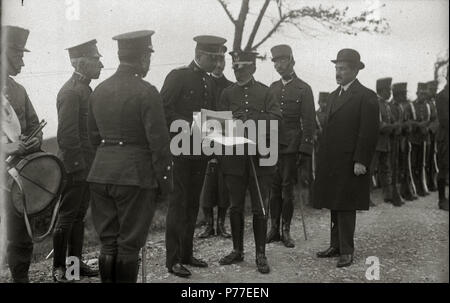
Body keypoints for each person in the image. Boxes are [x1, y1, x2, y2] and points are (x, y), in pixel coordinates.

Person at [87, 30, 173, 283]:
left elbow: (93, 137)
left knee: (108, 244)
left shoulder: (98, 90)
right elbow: (159, 144)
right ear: (143, 57)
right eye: (149, 55)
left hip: (101, 174)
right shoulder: (147, 91)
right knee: (128, 246)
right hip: (134, 177)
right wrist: (164, 184)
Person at [162, 35, 226, 278]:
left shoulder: (209, 81)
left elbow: (210, 116)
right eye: (214, 58)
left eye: (219, 58)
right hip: (179, 151)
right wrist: (186, 130)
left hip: (199, 152)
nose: (217, 63)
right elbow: (164, 109)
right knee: (178, 204)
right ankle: (173, 259)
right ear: (200, 55)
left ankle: (186, 253)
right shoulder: (178, 76)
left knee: (192, 204)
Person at [217, 50, 281, 274]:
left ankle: (260, 253)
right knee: (235, 205)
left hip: (261, 158)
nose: (237, 71)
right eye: (235, 68)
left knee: (259, 207)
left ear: (253, 68)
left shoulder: (266, 92)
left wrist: (251, 120)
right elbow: (217, 125)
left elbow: (276, 119)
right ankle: (237, 250)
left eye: (242, 68)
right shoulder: (226, 93)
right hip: (233, 159)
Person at [314, 49, 379, 268]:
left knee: (347, 205)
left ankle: (347, 250)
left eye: (342, 69)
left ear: (354, 70)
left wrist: (361, 160)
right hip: (332, 161)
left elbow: (368, 132)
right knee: (334, 202)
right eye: (336, 68)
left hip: (351, 161)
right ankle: (335, 245)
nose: (338, 72)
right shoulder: (333, 96)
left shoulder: (366, 96)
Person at [52, 39, 103, 282]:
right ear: (82, 63)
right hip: (75, 168)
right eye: (96, 60)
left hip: (87, 166)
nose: (101, 64)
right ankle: (59, 268)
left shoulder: (85, 89)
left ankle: (74, 266)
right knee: (67, 216)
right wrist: (78, 169)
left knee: (78, 216)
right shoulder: (71, 92)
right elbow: (67, 137)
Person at [1, 25, 42, 283]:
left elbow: (35, 128)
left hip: (15, 179)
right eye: (18, 54)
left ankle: (21, 278)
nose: (23, 62)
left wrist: (31, 142)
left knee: (20, 233)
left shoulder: (19, 92)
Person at [266, 44, 315, 248]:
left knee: (287, 189)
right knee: (273, 188)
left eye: (282, 61)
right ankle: (274, 229)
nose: (278, 65)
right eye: (275, 62)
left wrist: (304, 149)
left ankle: (286, 230)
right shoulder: (273, 88)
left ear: (291, 60)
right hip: (272, 145)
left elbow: (309, 122)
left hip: (291, 147)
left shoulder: (304, 88)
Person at [198, 45, 232, 239]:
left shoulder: (230, 86)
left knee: (223, 183)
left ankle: (221, 224)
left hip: (226, 137)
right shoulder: (203, 82)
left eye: (222, 62)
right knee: (207, 184)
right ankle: (208, 224)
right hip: (205, 135)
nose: (219, 65)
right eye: (216, 61)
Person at [391, 83, 418, 201]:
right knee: (396, 167)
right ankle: (396, 193)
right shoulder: (391, 107)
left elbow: (409, 121)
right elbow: (393, 124)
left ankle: (406, 191)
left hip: (405, 139)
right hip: (395, 140)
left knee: (405, 167)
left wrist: (408, 125)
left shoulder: (403, 106)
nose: (406, 95)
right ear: (398, 94)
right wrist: (403, 125)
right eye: (404, 93)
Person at [371, 78, 396, 204]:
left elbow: (390, 121)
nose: (390, 92)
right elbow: (379, 125)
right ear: (382, 90)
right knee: (370, 170)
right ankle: (365, 197)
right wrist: (394, 127)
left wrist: (394, 126)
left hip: (384, 143)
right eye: (388, 90)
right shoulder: (375, 103)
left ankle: (388, 195)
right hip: (375, 143)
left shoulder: (386, 105)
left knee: (385, 168)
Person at [410, 83, 431, 197]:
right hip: (414, 139)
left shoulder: (428, 106)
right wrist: (418, 125)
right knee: (413, 164)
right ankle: (414, 187)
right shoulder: (412, 105)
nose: (423, 96)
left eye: (425, 94)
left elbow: (433, 120)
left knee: (422, 164)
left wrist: (428, 128)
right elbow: (408, 120)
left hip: (425, 139)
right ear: (417, 93)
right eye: (421, 94)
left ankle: (423, 186)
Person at [435, 72, 449, 211]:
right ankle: (441, 199)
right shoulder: (442, 96)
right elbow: (444, 119)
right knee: (444, 167)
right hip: (446, 137)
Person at [425, 80, 439, 192]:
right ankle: (428, 183)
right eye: (432, 90)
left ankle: (432, 181)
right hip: (427, 134)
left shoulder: (435, 102)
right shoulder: (426, 104)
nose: (433, 92)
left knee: (433, 160)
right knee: (427, 160)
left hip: (436, 135)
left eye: (435, 89)